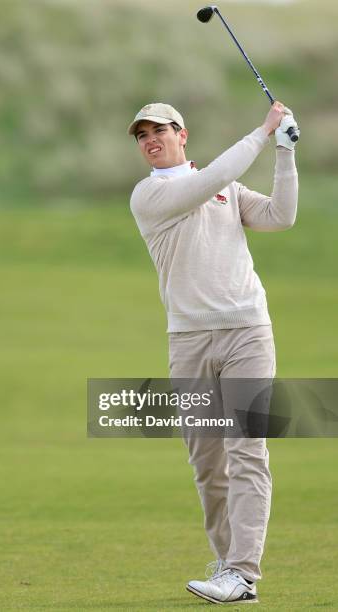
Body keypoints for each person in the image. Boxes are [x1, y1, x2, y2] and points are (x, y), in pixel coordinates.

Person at [127, 102, 299, 604]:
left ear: (182, 133)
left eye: (159, 129)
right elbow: (206, 182)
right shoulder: (151, 194)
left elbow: (279, 217)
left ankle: (243, 573)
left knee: (246, 448)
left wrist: (284, 153)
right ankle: (229, 565)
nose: (150, 139)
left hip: (248, 331)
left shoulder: (225, 187)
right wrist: (263, 131)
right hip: (188, 340)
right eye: (141, 135)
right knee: (207, 461)